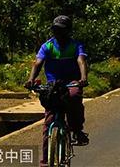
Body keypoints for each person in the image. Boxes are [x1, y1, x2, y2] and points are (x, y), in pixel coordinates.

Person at [25, 15, 89, 167]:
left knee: (74, 98)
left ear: (68, 31)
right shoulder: (47, 46)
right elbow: (38, 63)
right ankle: (46, 161)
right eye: (55, 30)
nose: (58, 34)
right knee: (48, 122)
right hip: (53, 84)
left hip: (71, 82)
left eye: (61, 30)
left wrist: (83, 78)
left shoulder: (76, 45)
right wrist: (31, 79)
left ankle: (77, 130)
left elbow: (81, 61)